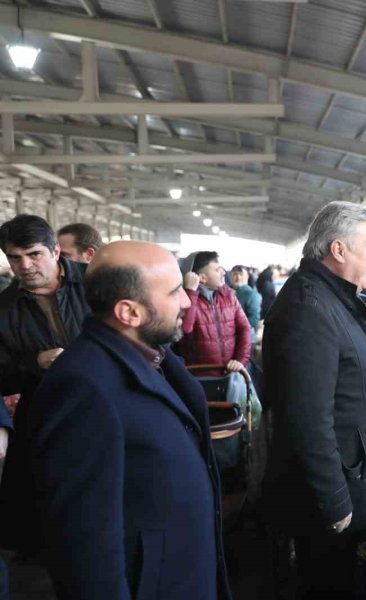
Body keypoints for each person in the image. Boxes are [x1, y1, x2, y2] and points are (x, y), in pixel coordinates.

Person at [29, 241, 231, 600]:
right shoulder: (83, 388)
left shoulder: (155, 357)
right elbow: (84, 543)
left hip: (182, 573)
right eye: (174, 292)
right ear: (129, 312)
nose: (187, 301)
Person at [262, 201, 366, 599]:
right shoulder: (309, 308)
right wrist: (335, 502)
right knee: (330, 585)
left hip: (351, 482)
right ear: (338, 250)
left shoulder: (329, 296)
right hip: (331, 504)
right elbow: (307, 418)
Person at [0, 214, 91, 554]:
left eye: (33, 254)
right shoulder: (5, 309)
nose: (24, 265)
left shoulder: (97, 283)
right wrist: (33, 363)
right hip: (49, 417)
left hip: (112, 407)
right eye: (14, 257)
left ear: (55, 251)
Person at [177, 251, 251, 375]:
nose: (223, 273)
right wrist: (190, 292)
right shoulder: (184, 298)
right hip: (198, 376)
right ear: (202, 278)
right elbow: (185, 328)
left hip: (230, 373)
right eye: (217, 270)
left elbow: (244, 328)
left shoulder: (228, 296)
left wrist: (240, 360)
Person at [230, 265, 262, 336]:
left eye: (241, 274)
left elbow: (254, 318)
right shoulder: (226, 292)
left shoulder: (252, 294)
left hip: (245, 337)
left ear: (247, 277)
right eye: (235, 274)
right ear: (230, 276)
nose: (238, 277)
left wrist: (236, 330)